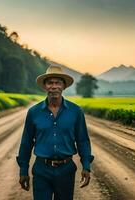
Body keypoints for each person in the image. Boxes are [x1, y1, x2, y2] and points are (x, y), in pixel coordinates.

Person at [16, 64, 94, 200]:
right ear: (45, 86)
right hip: (41, 170)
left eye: (58, 83)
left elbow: (82, 140)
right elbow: (26, 142)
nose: (54, 86)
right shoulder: (34, 112)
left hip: (66, 170)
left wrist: (86, 166)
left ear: (64, 86)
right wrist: (23, 170)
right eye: (50, 83)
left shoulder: (76, 112)